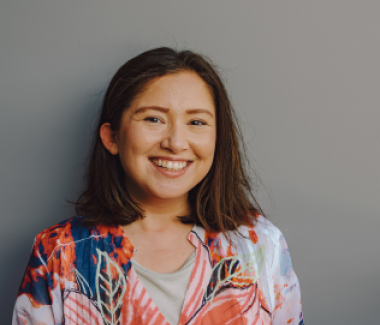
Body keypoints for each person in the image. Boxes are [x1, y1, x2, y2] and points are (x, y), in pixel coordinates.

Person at [12, 47, 304, 325]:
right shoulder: (57, 252)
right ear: (111, 137)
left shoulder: (261, 245)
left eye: (197, 122)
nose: (175, 143)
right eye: (154, 119)